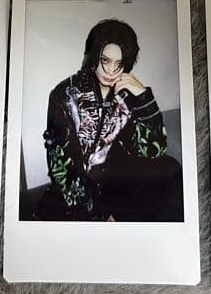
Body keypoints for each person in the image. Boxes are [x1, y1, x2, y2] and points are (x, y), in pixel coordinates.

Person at [35, 19, 183, 222]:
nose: (111, 71)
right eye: (105, 60)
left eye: (119, 64)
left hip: (114, 185)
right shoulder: (65, 94)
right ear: (93, 56)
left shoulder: (128, 95)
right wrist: (99, 215)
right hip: (76, 193)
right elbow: (60, 166)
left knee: (170, 168)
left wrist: (144, 99)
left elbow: (152, 152)